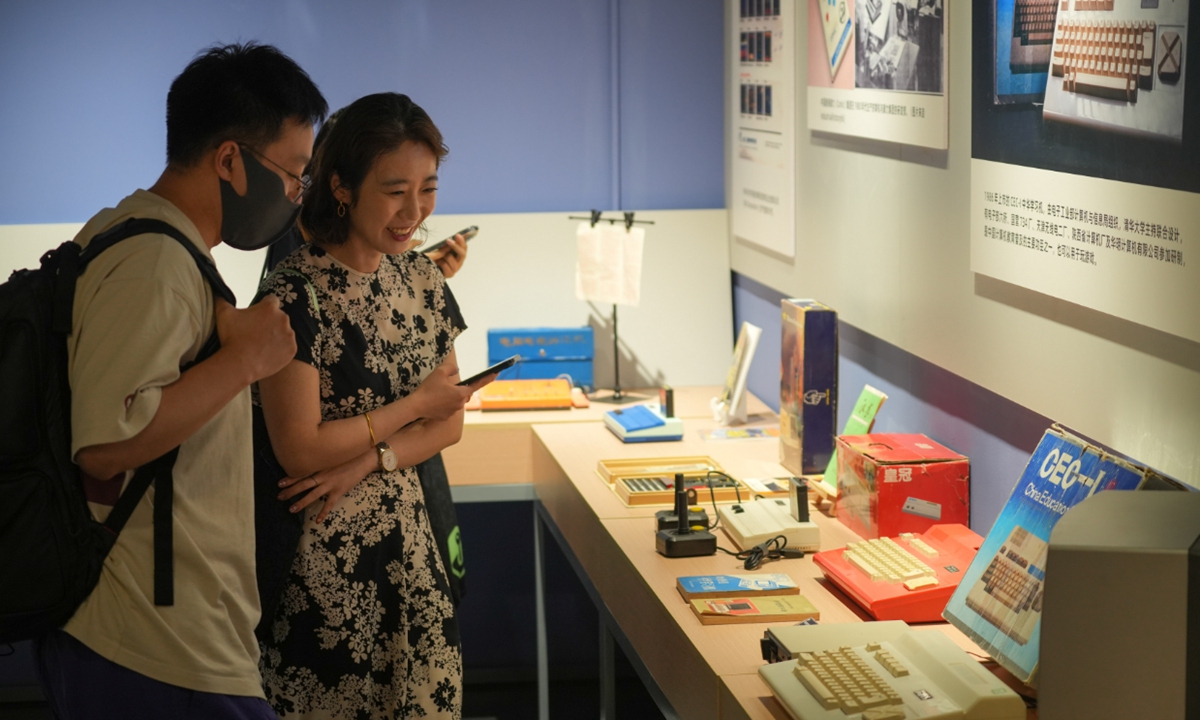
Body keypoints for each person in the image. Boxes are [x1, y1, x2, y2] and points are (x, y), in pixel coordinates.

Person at [35, 43, 327, 719]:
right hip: (153, 638)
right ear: (229, 159)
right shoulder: (154, 263)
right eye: (292, 174)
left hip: (166, 632)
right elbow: (106, 445)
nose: (294, 197)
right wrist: (245, 363)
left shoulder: (155, 245)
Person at [255, 92, 483, 719]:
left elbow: (451, 423)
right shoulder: (293, 292)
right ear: (342, 187)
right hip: (323, 559)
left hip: (413, 546)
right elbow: (299, 448)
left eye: (428, 188)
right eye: (394, 190)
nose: (415, 211)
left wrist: (368, 460)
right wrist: (413, 405)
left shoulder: (423, 280)